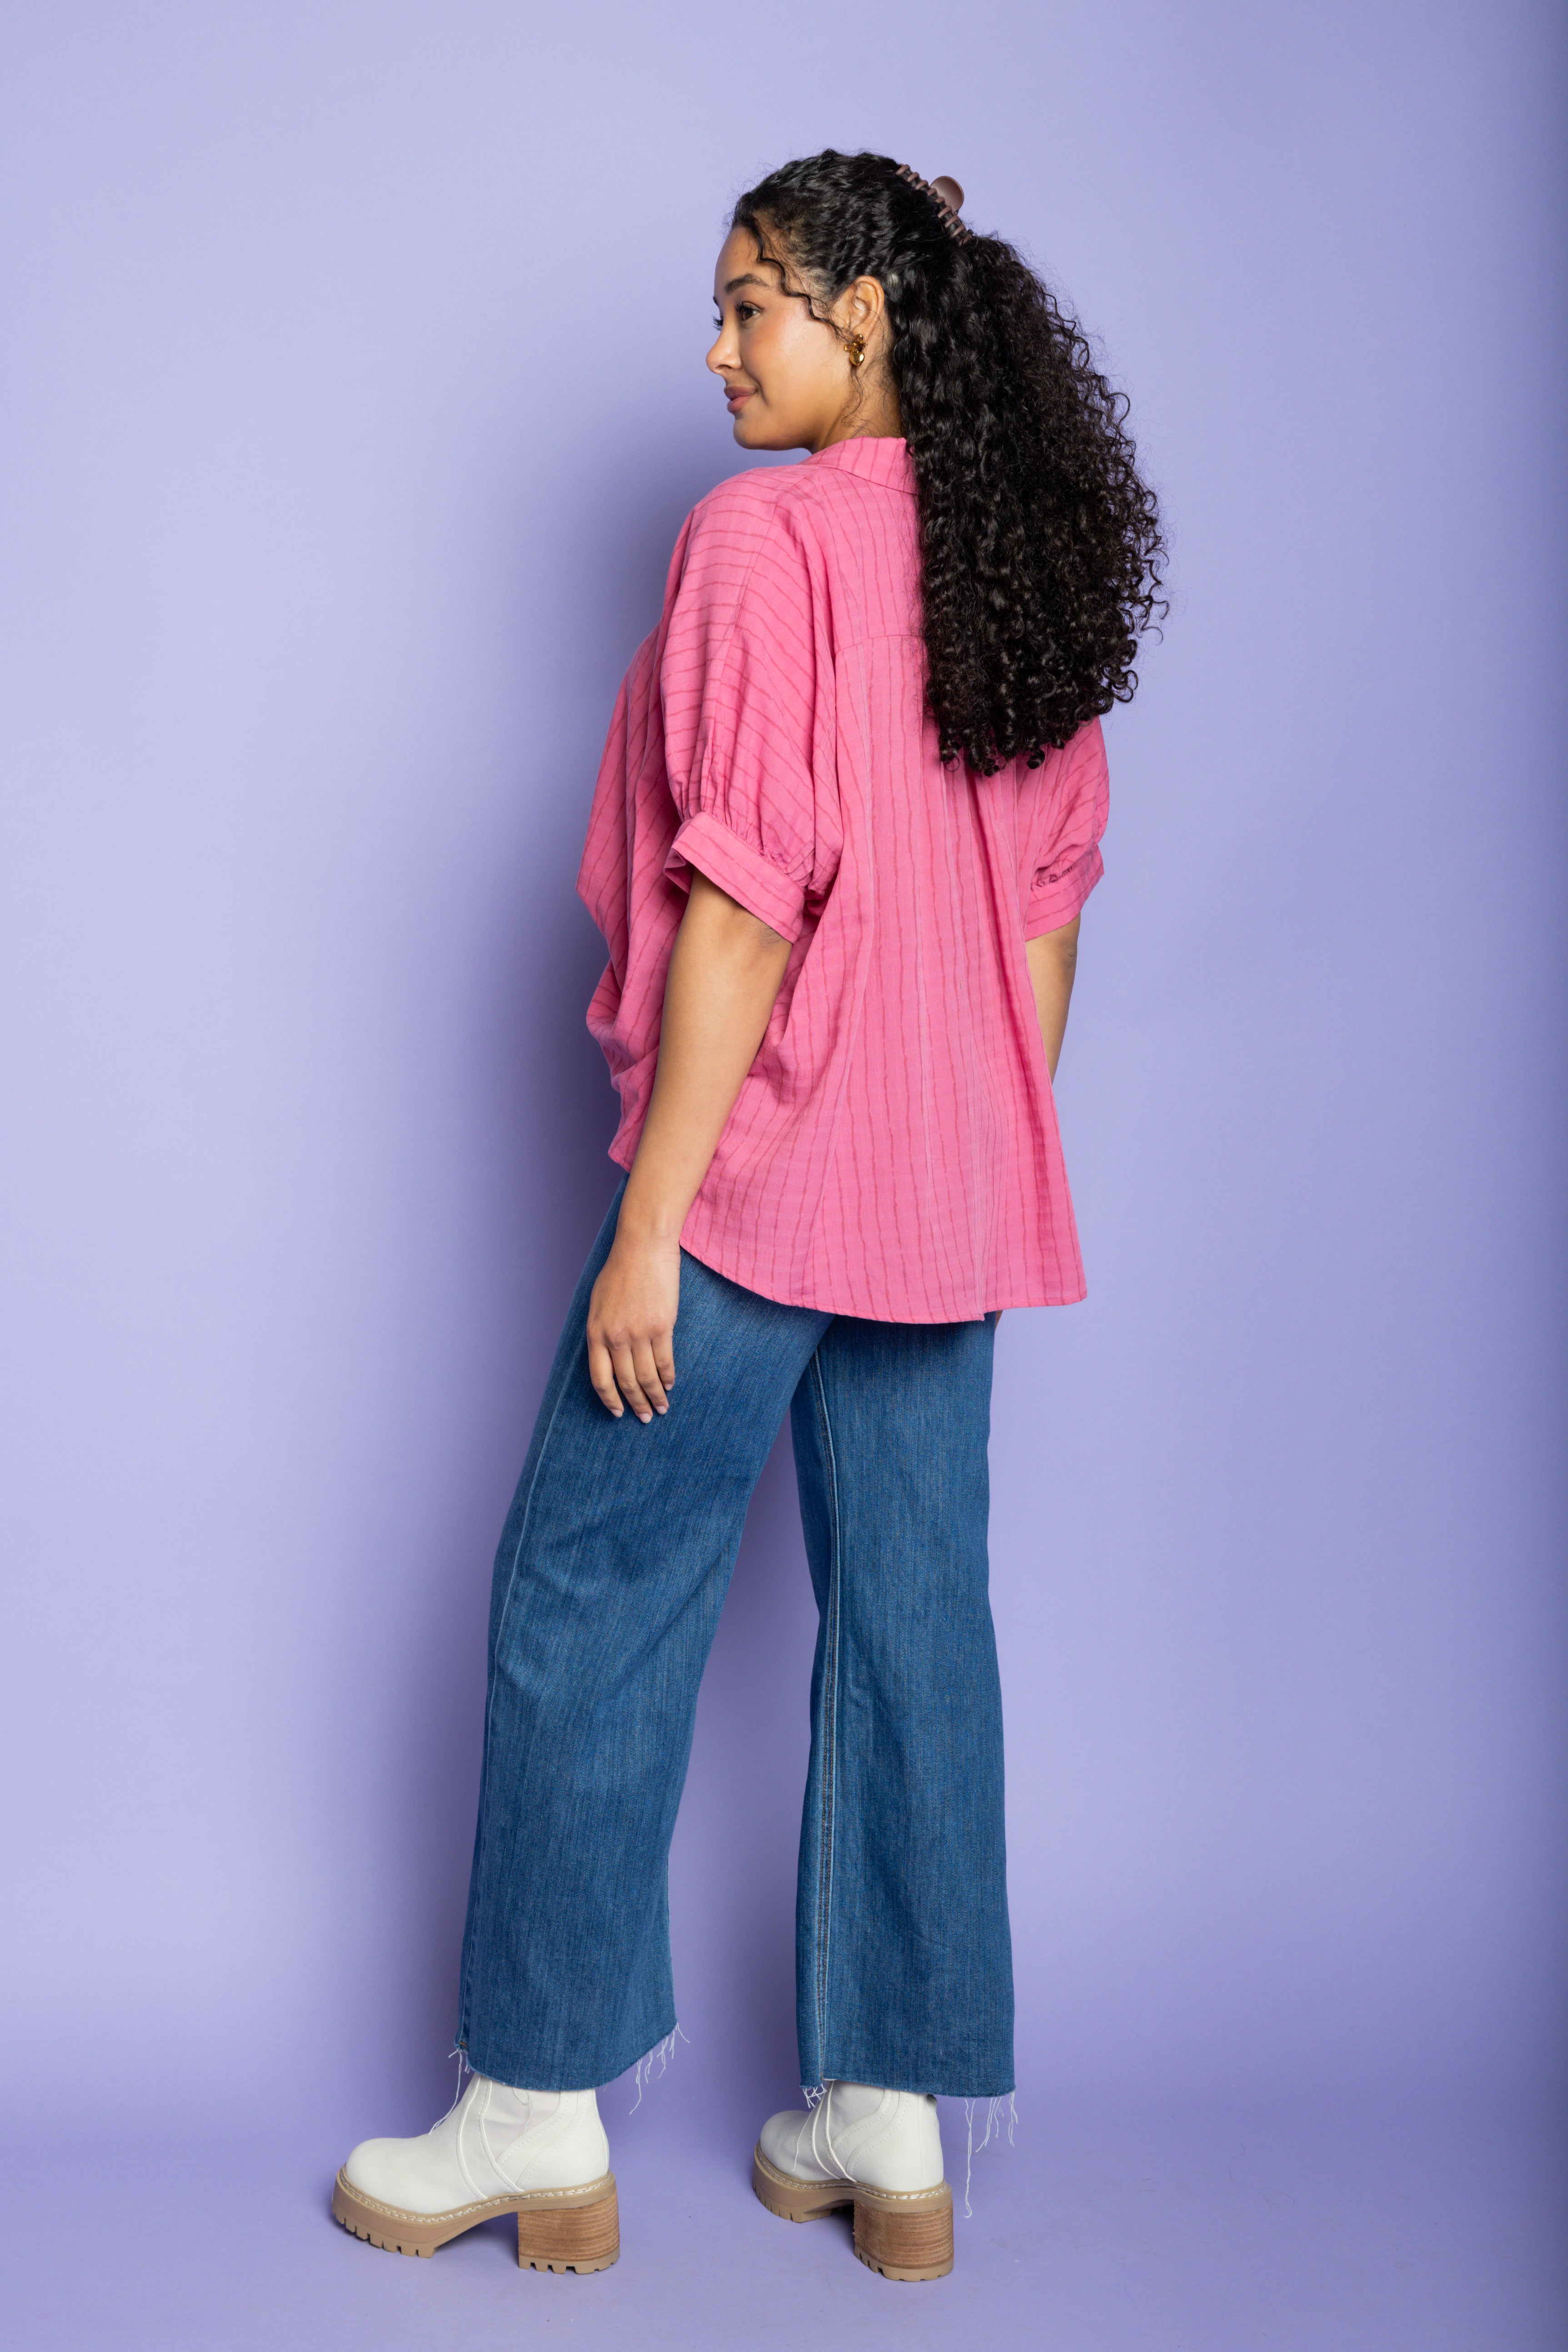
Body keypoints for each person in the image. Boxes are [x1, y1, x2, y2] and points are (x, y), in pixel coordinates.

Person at [331, 148, 1164, 2285]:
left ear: (867, 312)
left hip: (754, 1175)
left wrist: (646, 1226)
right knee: (911, 1623)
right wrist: (960, 1135)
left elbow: (736, 911)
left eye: (751, 304)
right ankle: (886, 2126)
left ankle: (533, 2112)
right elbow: (1046, 923)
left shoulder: (759, 540)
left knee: (585, 1595)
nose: (715, 353)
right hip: (955, 1188)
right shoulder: (1019, 563)